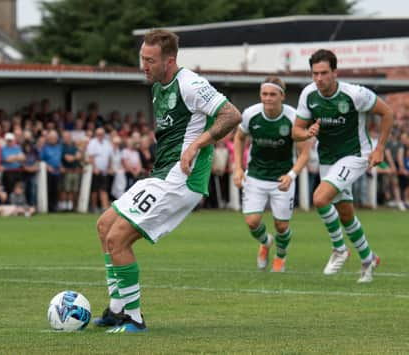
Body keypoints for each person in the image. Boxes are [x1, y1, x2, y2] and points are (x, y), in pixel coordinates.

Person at [94, 29, 241, 333]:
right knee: (104, 225)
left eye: (150, 60)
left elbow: (231, 115)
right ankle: (116, 309)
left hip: (180, 179)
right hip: (162, 173)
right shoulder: (159, 85)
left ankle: (134, 319)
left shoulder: (191, 84)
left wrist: (196, 145)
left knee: (117, 238)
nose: (143, 66)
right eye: (142, 59)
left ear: (169, 61)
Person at [292, 49, 394, 283]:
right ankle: (368, 258)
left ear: (335, 72)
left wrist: (379, 149)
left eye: (324, 73)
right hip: (328, 158)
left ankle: (339, 249)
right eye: (315, 73)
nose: (319, 78)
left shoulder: (355, 94)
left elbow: (387, 113)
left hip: (355, 155)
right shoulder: (308, 94)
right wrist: (306, 132)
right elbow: (296, 131)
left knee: (319, 199)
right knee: (345, 213)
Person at [233, 77, 310, 273]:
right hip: (256, 175)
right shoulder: (251, 114)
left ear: (282, 96)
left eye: (273, 94)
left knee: (282, 226)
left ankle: (280, 257)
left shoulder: (293, 118)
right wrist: (238, 168)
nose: (268, 98)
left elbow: (304, 153)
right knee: (252, 221)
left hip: (282, 179)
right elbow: (239, 137)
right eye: (264, 94)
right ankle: (266, 243)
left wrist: (291, 175)